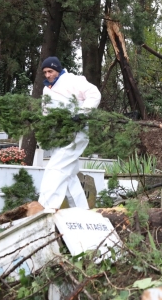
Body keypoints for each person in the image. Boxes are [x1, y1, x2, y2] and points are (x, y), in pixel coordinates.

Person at [38, 56, 101, 209]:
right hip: (58, 136)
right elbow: (46, 112)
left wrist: (82, 113)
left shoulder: (74, 81)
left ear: (58, 70)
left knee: (55, 170)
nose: (47, 75)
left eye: (50, 71)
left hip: (75, 132)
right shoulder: (47, 89)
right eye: (45, 72)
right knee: (70, 176)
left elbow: (94, 93)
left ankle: (43, 210)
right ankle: (81, 212)